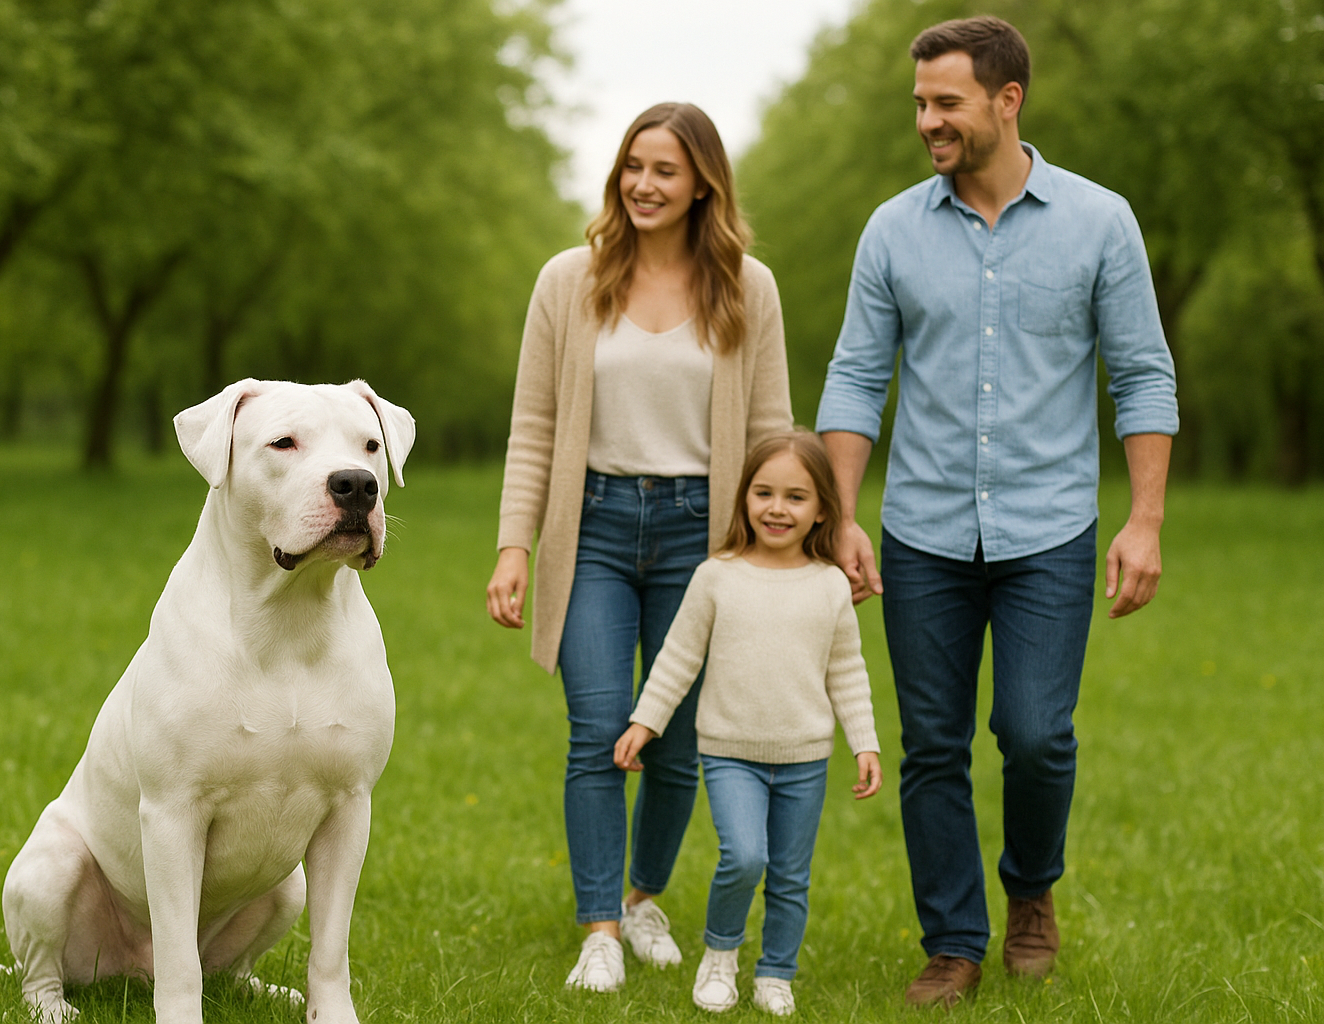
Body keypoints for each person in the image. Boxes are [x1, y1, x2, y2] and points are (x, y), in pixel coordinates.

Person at [814, 16, 1179, 1007]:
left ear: (1007, 101)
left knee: (1033, 731)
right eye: (920, 103)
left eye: (946, 103)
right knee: (931, 743)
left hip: (1048, 528)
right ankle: (952, 942)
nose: (927, 120)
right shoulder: (892, 228)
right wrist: (841, 513)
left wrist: (1142, 520)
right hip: (922, 530)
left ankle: (1031, 890)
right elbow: (854, 379)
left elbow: (1142, 376)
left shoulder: (1100, 222)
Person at [486, 102, 794, 992]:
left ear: (703, 180)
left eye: (665, 169)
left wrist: (777, 549)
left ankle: (643, 898)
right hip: (597, 531)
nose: (644, 185)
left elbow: (772, 428)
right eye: (633, 166)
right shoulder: (569, 282)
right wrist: (515, 546)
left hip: (705, 538)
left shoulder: (748, 286)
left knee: (677, 739)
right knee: (597, 731)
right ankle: (599, 930)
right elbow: (534, 427)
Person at [613, 430, 882, 1017]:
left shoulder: (831, 585)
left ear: (821, 511)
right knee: (744, 857)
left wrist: (865, 743)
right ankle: (720, 955)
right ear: (743, 499)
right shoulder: (717, 576)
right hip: (730, 751)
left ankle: (776, 972)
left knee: (789, 875)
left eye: (796, 497)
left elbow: (848, 671)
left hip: (806, 757)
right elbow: (678, 658)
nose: (778, 508)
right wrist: (645, 723)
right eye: (764, 493)